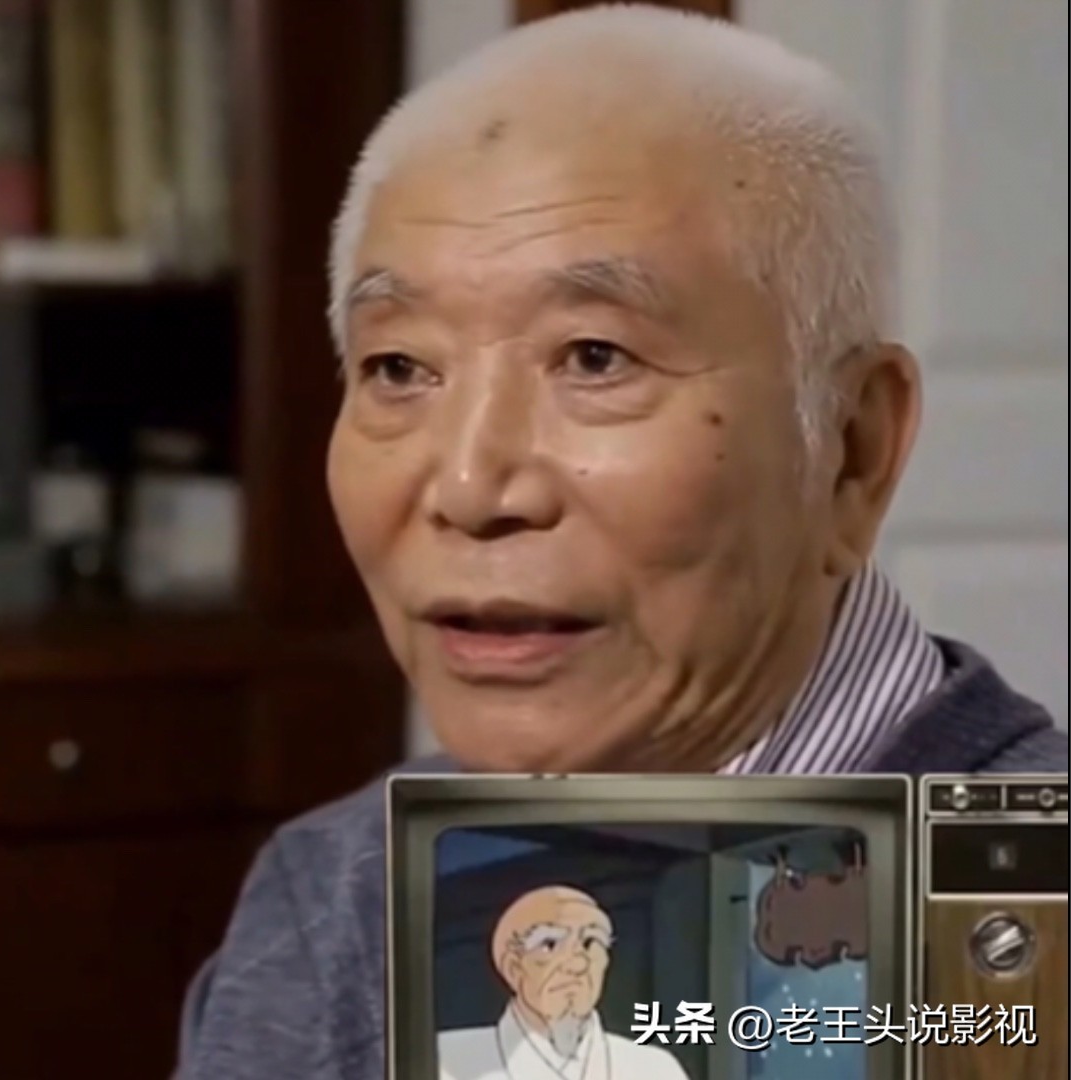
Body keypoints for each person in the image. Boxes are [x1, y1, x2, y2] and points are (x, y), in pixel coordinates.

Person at [173, 7, 1066, 1080]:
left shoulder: (1022, 914)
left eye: (594, 357)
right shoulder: (335, 894)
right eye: (399, 368)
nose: (469, 487)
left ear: (851, 451)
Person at [439, 886, 688, 1080]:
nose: (577, 964)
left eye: (590, 943)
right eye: (550, 945)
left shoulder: (655, 1069)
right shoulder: (445, 1060)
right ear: (513, 968)